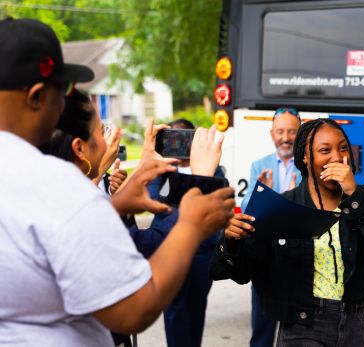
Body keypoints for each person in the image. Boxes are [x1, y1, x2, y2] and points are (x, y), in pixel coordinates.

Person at [0, 18, 235, 346]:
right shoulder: (58, 186)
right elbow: (134, 311)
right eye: (64, 91)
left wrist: (116, 205)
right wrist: (192, 224)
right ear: (37, 96)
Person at [212, 118, 364, 346]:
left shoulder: (363, 198)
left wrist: (354, 194)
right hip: (304, 324)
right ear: (305, 158)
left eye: (343, 148)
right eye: (325, 150)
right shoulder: (282, 207)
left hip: (354, 322)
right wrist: (231, 241)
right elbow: (240, 271)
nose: (336, 157)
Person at [145, 118, 225, 347]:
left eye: (184, 137)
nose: (179, 143)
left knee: (197, 307)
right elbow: (153, 201)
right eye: (173, 138)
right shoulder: (160, 168)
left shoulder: (210, 164)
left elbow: (219, 198)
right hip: (171, 250)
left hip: (203, 251)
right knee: (174, 309)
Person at [234, 107, 302, 347]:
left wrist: (284, 197)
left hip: (298, 256)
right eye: (280, 131)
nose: (286, 138)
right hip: (265, 256)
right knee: (262, 328)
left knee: (296, 330)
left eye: (292, 131)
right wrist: (264, 196)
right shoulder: (258, 166)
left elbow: (309, 209)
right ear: (271, 134)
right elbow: (246, 208)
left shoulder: (308, 165)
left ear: (300, 134)